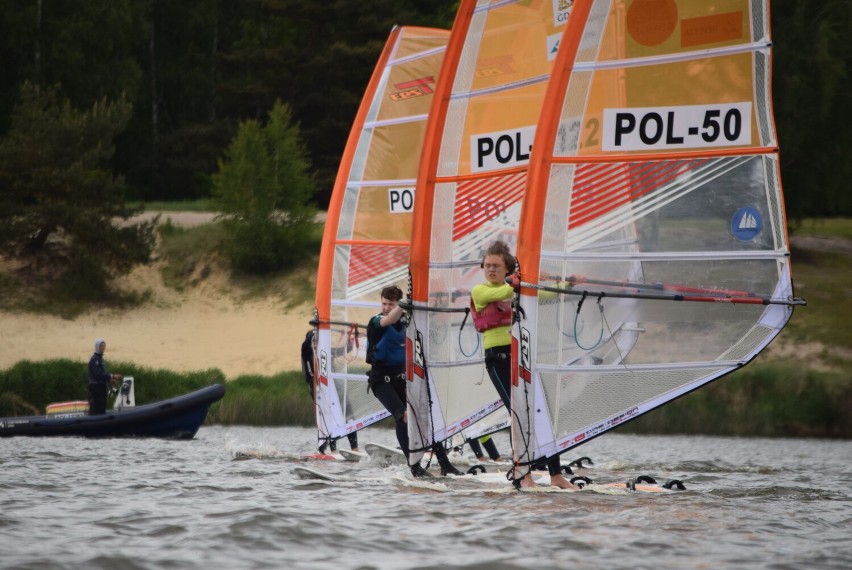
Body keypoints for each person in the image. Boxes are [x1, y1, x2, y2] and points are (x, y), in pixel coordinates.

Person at [470, 241, 577, 489]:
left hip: (523, 357)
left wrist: (568, 283)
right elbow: (503, 293)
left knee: (543, 414)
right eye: (487, 266)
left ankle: (556, 475)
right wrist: (520, 281)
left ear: (506, 268)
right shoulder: (481, 290)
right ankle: (523, 475)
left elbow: (543, 292)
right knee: (518, 415)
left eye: (496, 266)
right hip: (497, 359)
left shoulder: (519, 288)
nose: (491, 270)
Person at [366, 285, 462, 477]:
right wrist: (403, 305)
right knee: (402, 416)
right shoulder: (377, 321)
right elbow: (389, 319)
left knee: (423, 417)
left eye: (390, 304)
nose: (386, 307)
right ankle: (415, 467)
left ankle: (445, 465)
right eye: (384, 303)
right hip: (380, 382)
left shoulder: (406, 321)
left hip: (401, 378)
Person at [301, 330, 359, 453]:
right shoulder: (307, 351)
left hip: (335, 387)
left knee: (348, 412)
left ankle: (355, 448)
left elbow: (346, 349)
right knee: (329, 418)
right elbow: (306, 343)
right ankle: (333, 450)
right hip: (318, 389)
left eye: (318, 340)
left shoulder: (326, 350)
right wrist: (318, 331)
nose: (317, 343)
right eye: (315, 341)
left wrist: (351, 337)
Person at [88, 338, 121, 415]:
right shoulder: (95, 359)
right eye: (101, 346)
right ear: (97, 347)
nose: (102, 348)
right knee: (96, 409)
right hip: (95, 388)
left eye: (103, 346)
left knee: (102, 408)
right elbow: (98, 374)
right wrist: (113, 376)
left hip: (101, 387)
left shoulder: (100, 359)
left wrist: (110, 379)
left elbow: (103, 374)